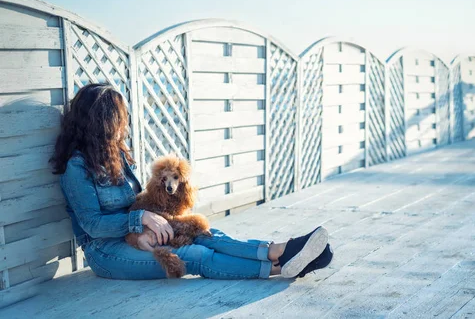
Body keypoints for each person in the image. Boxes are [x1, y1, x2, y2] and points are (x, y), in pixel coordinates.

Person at [50, 83, 333, 280]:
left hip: (142, 236)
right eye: (119, 119)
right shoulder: (76, 166)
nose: (124, 125)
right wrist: (142, 219)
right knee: (195, 255)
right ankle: (281, 267)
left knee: (207, 235)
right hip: (107, 253)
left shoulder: (115, 156)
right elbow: (93, 226)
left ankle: (280, 250)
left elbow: (142, 199)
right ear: (102, 122)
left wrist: (156, 216)